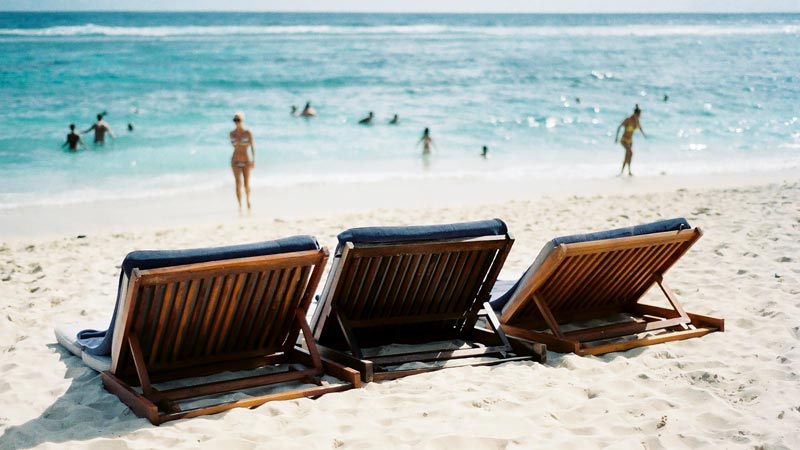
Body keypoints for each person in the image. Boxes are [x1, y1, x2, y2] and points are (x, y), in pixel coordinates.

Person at [229, 112, 255, 212]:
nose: (236, 122)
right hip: (235, 160)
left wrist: (253, 160)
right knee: (237, 184)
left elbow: (252, 146)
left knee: (246, 184)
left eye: (238, 120)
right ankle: (239, 205)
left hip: (246, 160)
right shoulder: (231, 133)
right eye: (235, 120)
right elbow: (235, 146)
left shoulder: (248, 133)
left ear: (242, 120)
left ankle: (248, 200)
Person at [614, 104, 646, 176]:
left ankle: (627, 171)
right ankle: (626, 172)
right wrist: (616, 138)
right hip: (624, 140)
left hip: (630, 141)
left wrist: (644, 135)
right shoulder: (628, 120)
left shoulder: (637, 121)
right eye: (639, 114)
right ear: (636, 114)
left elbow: (640, 128)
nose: (640, 116)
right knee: (630, 153)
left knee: (628, 156)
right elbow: (619, 127)